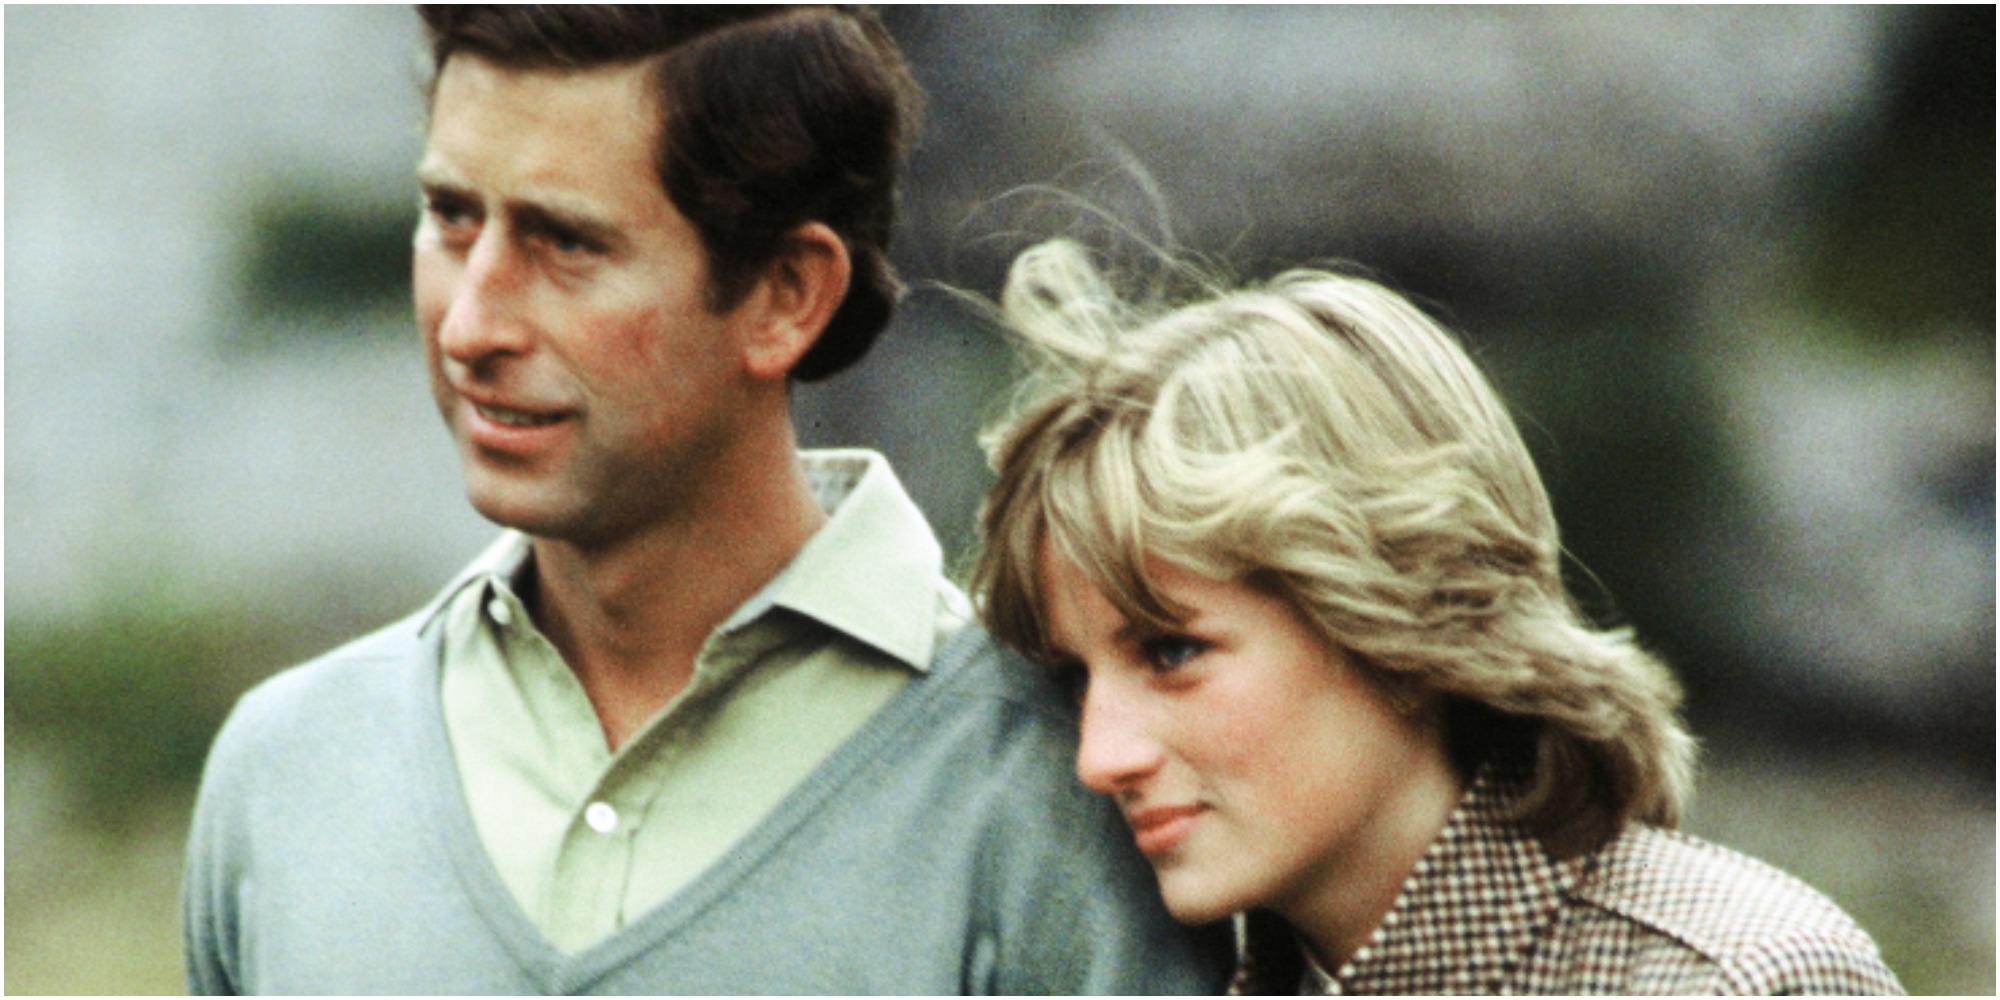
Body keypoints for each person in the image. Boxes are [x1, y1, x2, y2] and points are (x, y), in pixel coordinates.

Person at [182, 9, 1224, 994]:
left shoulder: (1050, 787)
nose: (469, 324)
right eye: (451, 218)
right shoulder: (283, 769)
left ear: (784, 295)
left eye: (565, 243)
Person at [969, 237, 1907, 995]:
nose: (1100, 757)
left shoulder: (1739, 981)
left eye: (1172, 651)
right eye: (1075, 676)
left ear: (1399, 619)